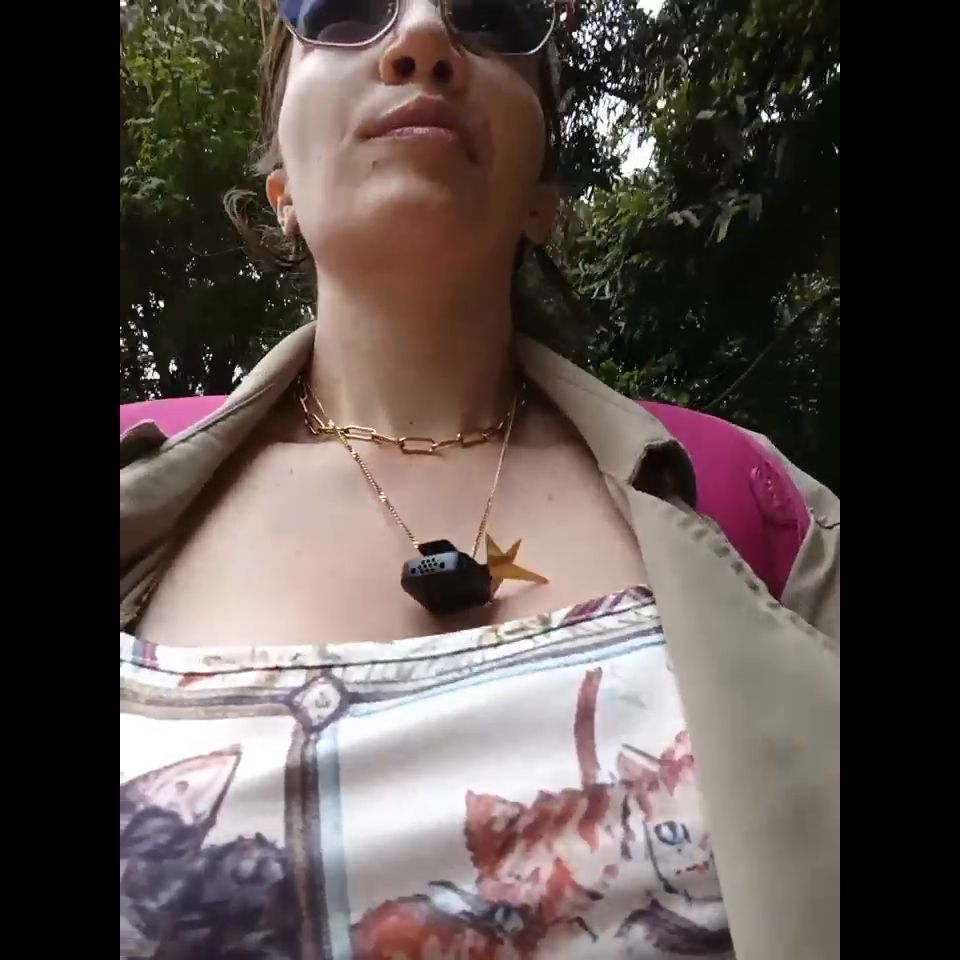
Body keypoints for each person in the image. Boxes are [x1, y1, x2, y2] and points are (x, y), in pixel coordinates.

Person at [120, 2, 839, 958]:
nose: (421, 39)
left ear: (543, 197)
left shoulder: (761, 511)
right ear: (280, 186)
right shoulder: (139, 497)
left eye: (493, 16)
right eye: (345, 9)